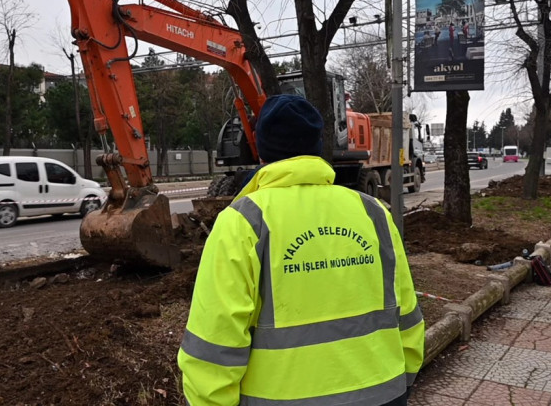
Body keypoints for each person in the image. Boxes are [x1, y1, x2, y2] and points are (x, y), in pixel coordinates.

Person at [177, 95, 425, 406]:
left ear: (263, 150)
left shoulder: (242, 222)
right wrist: (402, 382)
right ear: (316, 146)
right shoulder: (374, 213)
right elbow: (408, 316)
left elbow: (213, 346)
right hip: (384, 395)